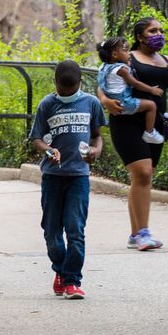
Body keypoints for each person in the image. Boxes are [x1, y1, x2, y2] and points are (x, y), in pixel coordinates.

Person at [97, 17, 168, 251]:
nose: (158, 34)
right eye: (152, 30)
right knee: (143, 172)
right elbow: (104, 80)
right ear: (140, 36)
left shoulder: (164, 61)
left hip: (155, 123)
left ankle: (137, 233)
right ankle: (142, 233)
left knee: (144, 178)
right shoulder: (129, 58)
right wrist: (106, 101)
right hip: (127, 120)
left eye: (160, 30)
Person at [28, 60, 105, 300]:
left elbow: (97, 137)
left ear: (80, 83)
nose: (67, 93)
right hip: (53, 177)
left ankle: (72, 280)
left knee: (75, 229)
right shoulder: (47, 104)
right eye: (63, 89)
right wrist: (47, 150)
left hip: (78, 176)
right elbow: (37, 138)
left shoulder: (91, 103)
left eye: (71, 90)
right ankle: (59, 268)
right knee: (51, 232)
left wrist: (95, 152)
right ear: (56, 83)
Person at [96, 37, 164, 144]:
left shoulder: (104, 67)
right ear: (114, 55)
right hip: (124, 102)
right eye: (125, 51)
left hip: (114, 100)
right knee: (151, 106)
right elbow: (135, 84)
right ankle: (149, 132)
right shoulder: (122, 70)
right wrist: (151, 90)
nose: (129, 54)